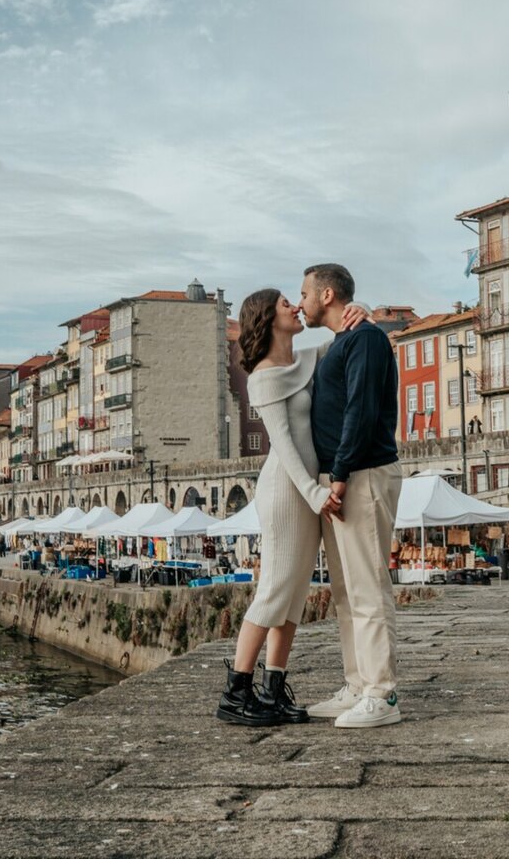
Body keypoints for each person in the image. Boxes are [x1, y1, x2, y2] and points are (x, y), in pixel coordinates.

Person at [217, 289, 367, 727]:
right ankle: (236, 692)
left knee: (295, 597)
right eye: (286, 303)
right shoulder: (263, 377)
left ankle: (272, 690)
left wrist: (362, 312)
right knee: (274, 590)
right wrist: (315, 493)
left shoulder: (299, 362)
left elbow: (339, 341)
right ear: (267, 317)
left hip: (305, 493)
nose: (296, 307)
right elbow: (283, 447)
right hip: (286, 491)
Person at [301, 263, 404, 729]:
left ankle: (382, 695)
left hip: (360, 475)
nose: (299, 300)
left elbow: (361, 409)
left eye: (303, 293)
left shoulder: (366, 339)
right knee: (345, 592)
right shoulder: (341, 341)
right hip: (338, 478)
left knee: (367, 588)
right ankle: (358, 684)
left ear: (326, 294)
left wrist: (339, 475)